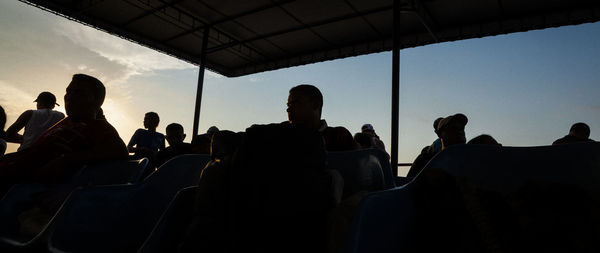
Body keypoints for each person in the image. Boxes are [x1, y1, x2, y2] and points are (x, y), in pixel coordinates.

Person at [0, 73, 129, 193]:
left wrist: (67, 160)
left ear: (96, 101)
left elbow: (121, 152)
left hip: (22, 183)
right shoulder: (64, 121)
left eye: (79, 93)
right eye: (68, 91)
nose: (69, 96)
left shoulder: (99, 126)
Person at [286, 84, 354, 151]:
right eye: (288, 105)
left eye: (295, 103)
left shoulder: (339, 136)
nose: (288, 109)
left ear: (315, 105)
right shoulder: (282, 134)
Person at [407, 113, 468, 177]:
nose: (459, 131)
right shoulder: (425, 159)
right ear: (439, 134)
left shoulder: (472, 157)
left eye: (461, 128)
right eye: (453, 128)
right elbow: (408, 182)